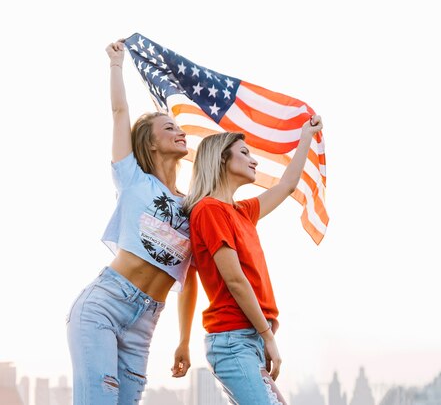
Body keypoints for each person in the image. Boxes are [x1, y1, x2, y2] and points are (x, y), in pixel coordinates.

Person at [66, 39, 194, 405]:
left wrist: (184, 340)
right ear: (151, 144)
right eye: (169, 128)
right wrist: (116, 64)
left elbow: (190, 278)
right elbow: (120, 112)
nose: (179, 132)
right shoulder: (133, 179)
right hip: (104, 306)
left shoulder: (194, 206)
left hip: (144, 326)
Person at [171, 115, 323, 404]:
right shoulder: (209, 210)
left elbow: (287, 186)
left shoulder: (242, 212)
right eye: (244, 153)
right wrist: (268, 337)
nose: (254, 161)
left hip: (248, 339)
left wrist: (306, 136)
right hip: (233, 341)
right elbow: (235, 280)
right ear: (222, 160)